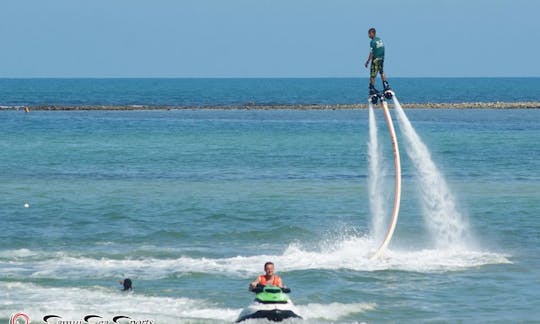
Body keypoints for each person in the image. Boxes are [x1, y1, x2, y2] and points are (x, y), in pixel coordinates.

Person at [364, 27, 391, 96]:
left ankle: (372, 88)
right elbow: (383, 48)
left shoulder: (372, 42)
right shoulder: (379, 40)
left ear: (373, 33)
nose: (368, 35)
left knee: (372, 75)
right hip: (381, 58)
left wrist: (367, 61)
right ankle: (385, 85)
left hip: (376, 59)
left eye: (369, 34)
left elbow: (371, 53)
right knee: (381, 71)